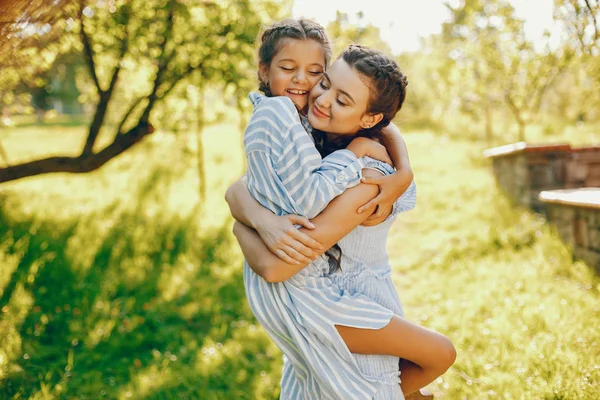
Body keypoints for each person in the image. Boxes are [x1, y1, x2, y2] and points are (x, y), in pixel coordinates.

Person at [225, 19, 455, 399]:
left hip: (344, 299)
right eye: (326, 82)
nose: (322, 97)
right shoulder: (310, 137)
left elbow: (273, 266)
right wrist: (261, 220)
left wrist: (241, 228)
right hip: (324, 298)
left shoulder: (368, 177)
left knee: (429, 357)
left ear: (368, 119)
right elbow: (239, 188)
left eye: (342, 99)